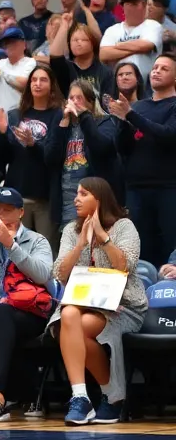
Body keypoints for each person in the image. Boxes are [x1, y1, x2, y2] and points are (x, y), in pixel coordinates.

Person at [51, 178, 146, 426]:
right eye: (77, 194)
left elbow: (125, 266)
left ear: (99, 198)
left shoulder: (124, 227)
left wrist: (102, 237)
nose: (76, 198)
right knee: (69, 315)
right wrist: (81, 243)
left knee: (71, 326)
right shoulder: (72, 230)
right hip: (84, 303)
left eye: (83, 194)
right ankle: (82, 396)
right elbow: (60, 274)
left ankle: (110, 396)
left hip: (122, 306)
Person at [0, 187, 56, 421]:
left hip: (32, 312)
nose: (2, 215)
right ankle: (23, 392)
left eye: (8, 210)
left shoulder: (37, 241)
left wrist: (11, 246)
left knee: (3, 314)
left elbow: (43, 275)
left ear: (21, 213)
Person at [108, 54, 176, 268]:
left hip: (169, 187)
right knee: (140, 247)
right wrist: (122, 124)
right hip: (136, 188)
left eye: (164, 68)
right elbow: (123, 148)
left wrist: (130, 116)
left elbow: (168, 135)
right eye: (155, 67)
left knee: (169, 245)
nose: (156, 71)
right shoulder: (139, 107)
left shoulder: (172, 105)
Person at [0, 64, 64, 244]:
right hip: (17, 193)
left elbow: (55, 157)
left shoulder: (58, 115)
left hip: (45, 196)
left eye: (43, 80)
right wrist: (2, 134)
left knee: (46, 249)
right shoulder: (16, 115)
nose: (37, 84)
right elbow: (3, 158)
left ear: (52, 86)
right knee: (14, 248)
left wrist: (33, 144)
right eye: (33, 80)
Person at [46, 79, 121, 226]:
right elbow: (50, 159)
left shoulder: (105, 122)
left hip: (95, 202)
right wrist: (62, 125)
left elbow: (102, 148)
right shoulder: (63, 125)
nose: (74, 102)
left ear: (91, 101)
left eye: (79, 98)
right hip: (67, 202)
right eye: (71, 98)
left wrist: (85, 116)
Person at [100, 0, 163, 78]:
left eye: (135, 4)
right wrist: (136, 49)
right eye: (128, 4)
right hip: (119, 82)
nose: (131, 8)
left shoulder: (153, 26)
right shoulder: (112, 30)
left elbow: (146, 46)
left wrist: (118, 45)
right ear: (123, 7)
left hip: (147, 83)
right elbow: (104, 54)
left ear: (144, 5)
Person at [47, 16, 113, 99]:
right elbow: (55, 56)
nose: (78, 43)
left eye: (84, 40)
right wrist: (64, 26)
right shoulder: (66, 68)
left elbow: (108, 102)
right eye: (74, 40)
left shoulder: (105, 72)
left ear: (93, 44)